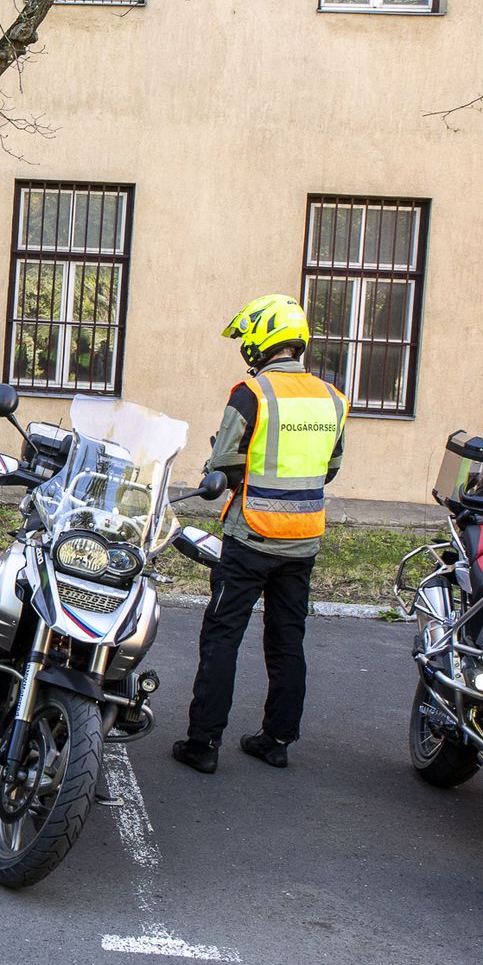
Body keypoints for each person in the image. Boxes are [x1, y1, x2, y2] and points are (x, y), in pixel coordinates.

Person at [170, 294, 346, 773]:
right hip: (303, 539)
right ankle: (277, 740)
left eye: (248, 338)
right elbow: (329, 468)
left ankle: (203, 743)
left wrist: (225, 467)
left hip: (251, 537)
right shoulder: (333, 398)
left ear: (263, 340)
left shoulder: (252, 393)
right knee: (288, 640)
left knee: (222, 636)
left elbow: (224, 465)